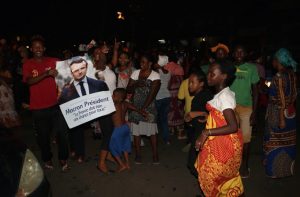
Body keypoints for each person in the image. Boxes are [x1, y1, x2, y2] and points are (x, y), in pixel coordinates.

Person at [195, 60, 244, 196]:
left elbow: (233, 126)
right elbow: (222, 115)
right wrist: (210, 119)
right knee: (219, 179)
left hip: (224, 144)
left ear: (223, 76)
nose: (208, 76)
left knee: (215, 176)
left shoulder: (225, 97)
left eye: (212, 74)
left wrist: (206, 132)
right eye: (208, 73)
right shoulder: (222, 94)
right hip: (220, 141)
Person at [58, 58, 114, 173]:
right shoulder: (66, 90)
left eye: (82, 68)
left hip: (99, 112)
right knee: (76, 131)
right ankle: (79, 153)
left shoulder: (99, 84)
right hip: (80, 117)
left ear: (86, 68)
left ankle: (102, 160)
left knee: (108, 129)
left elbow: (106, 99)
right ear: (71, 72)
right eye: (75, 70)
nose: (79, 72)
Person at [22, 35, 69, 171]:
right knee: (43, 137)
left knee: (62, 133)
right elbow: (29, 81)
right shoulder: (28, 64)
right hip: (38, 108)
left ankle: (62, 157)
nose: (38, 49)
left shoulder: (53, 60)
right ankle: (47, 158)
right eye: (35, 47)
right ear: (31, 49)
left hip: (56, 105)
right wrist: (46, 73)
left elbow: (68, 68)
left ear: (44, 48)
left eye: (40, 46)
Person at [263, 48, 297, 178]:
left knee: (273, 141)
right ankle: (287, 170)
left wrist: (281, 118)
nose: (272, 63)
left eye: (273, 60)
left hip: (278, 114)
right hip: (291, 113)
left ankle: (275, 172)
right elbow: (292, 95)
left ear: (277, 61)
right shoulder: (292, 74)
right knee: (288, 142)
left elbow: (281, 100)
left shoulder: (279, 77)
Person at [230, 45, 259, 178]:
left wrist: (255, 111)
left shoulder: (252, 68)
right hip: (230, 107)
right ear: (233, 54)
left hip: (246, 108)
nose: (239, 53)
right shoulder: (229, 67)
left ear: (246, 54)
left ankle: (244, 165)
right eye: (237, 51)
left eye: (242, 51)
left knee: (246, 139)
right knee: (231, 138)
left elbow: (256, 91)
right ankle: (232, 164)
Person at [127, 53, 161, 164]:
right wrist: (136, 84)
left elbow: (152, 94)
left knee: (152, 132)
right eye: (140, 62)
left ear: (150, 63)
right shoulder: (136, 73)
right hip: (135, 106)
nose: (141, 64)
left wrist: (143, 109)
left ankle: (155, 155)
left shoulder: (155, 75)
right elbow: (128, 89)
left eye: (144, 62)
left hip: (149, 107)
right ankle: (138, 155)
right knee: (136, 133)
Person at [184, 68, 213, 178]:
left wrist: (195, 114)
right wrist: (190, 118)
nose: (189, 85)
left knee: (194, 163)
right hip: (198, 131)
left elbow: (213, 112)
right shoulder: (200, 95)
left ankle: (208, 184)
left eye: (193, 82)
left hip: (203, 133)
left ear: (201, 83)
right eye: (189, 82)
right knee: (195, 163)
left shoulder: (205, 95)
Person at [109, 88, 146, 172]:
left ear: (120, 98)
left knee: (112, 147)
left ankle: (122, 165)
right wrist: (142, 112)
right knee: (125, 146)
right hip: (125, 128)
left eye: (114, 95)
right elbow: (135, 108)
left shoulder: (113, 105)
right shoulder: (125, 103)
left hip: (118, 129)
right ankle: (127, 164)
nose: (112, 96)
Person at [154, 54, 171, 145]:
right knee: (164, 119)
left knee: (155, 119)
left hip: (158, 97)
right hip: (167, 96)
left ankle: (154, 138)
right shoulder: (169, 72)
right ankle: (166, 139)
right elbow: (169, 86)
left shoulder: (157, 71)